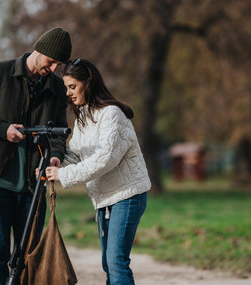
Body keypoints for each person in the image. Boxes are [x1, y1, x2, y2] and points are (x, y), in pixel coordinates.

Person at [0, 27, 72, 285]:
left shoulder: (56, 87)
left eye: (59, 64)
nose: (54, 68)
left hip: (34, 185)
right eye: (51, 61)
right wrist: (2, 129)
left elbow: (58, 132)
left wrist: (55, 156)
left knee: (27, 255)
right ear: (38, 49)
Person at [45, 58, 151, 285]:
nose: (68, 93)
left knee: (116, 261)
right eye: (66, 88)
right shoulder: (84, 116)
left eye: (72, 87)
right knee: (108, 262)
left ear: (88, 83)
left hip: (127, 195)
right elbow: (74, 153)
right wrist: (55, 166)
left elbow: (105, 159)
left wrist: (63, 176)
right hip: (104, 199)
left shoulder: (111, 114)